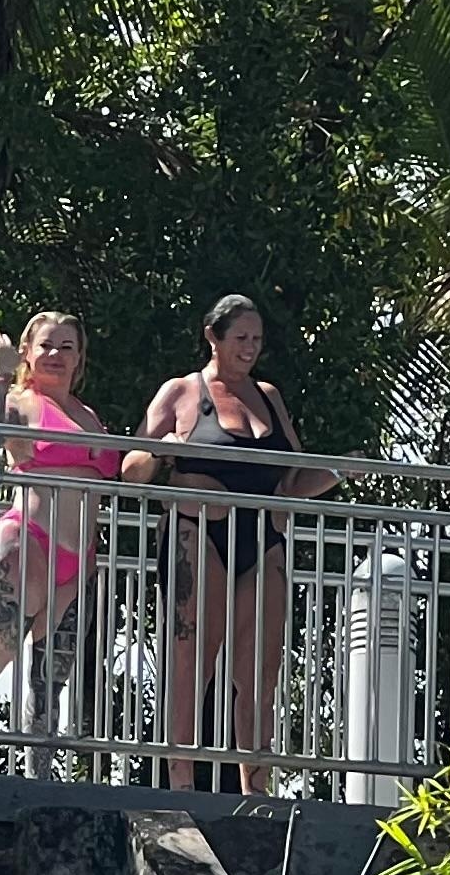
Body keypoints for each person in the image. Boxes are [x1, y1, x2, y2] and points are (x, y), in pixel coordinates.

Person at [128, 294, 336, 790]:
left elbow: (292, 477)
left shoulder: (269, 396)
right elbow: (131, 468)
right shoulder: (181, 391)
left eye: (257, 339)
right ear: (212, 337)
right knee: (191, 659)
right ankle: (180, 783)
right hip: (199, 530)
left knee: (260, 668)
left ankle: (256, 788)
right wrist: (162, 449)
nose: (250, 347)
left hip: (262, 536)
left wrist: (339, 471)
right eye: (240, 337)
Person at [0, 311, 123, 770]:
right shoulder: (22, 402)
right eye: (46, 345)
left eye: (67, 347)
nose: (56, 355)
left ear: (80, 357)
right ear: (28, 351)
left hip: (78, 557)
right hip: (28, 541)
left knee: (52, 677)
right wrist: (0, 374)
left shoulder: (88, 416)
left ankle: (38, 777)